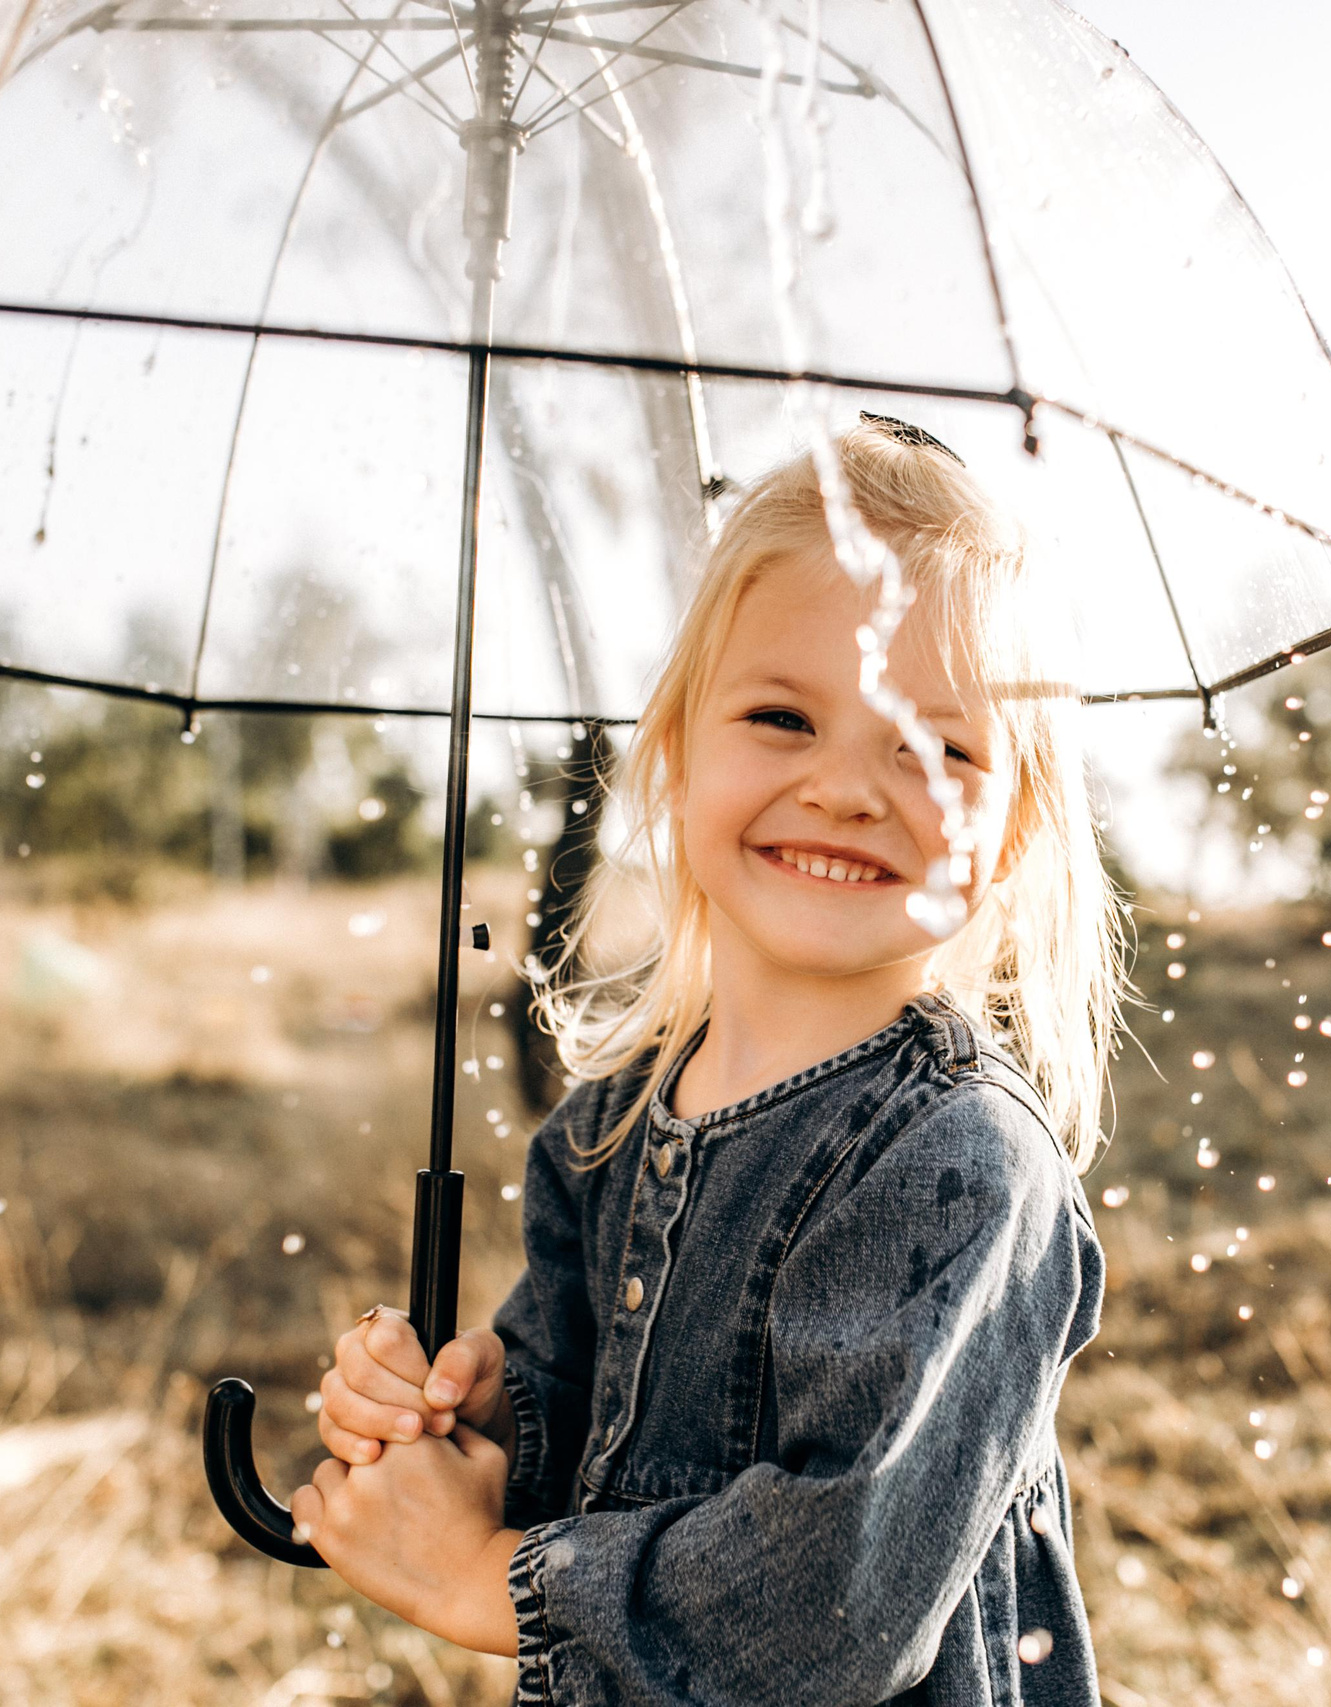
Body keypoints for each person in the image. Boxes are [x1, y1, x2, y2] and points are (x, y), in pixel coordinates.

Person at [288, 416, 1124, 1705]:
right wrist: (463, 1422)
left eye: (942, 746)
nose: (852, 785)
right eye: (784, 716)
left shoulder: (961, 1162)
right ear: (674, 761)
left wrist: (481, 1579)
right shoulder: (604, 1129)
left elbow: (834, 1599)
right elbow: (573, 1417)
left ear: (1008, 833)